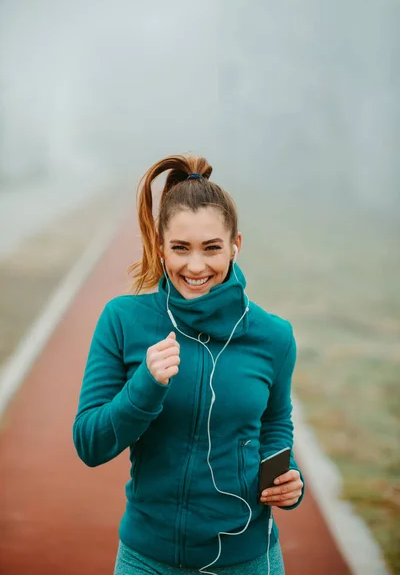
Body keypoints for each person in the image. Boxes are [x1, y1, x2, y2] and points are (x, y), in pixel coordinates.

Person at [73, 154, 304, 575]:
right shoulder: (123, 320)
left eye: (212, 248)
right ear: (160, 246)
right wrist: (145, 385)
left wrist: (287, 478)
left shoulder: (274, 336)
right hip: (147, 560)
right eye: (180, 248)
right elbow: (90, 443)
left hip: (247, 560)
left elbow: (275, 425)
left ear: (236, 245)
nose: (196, 267)